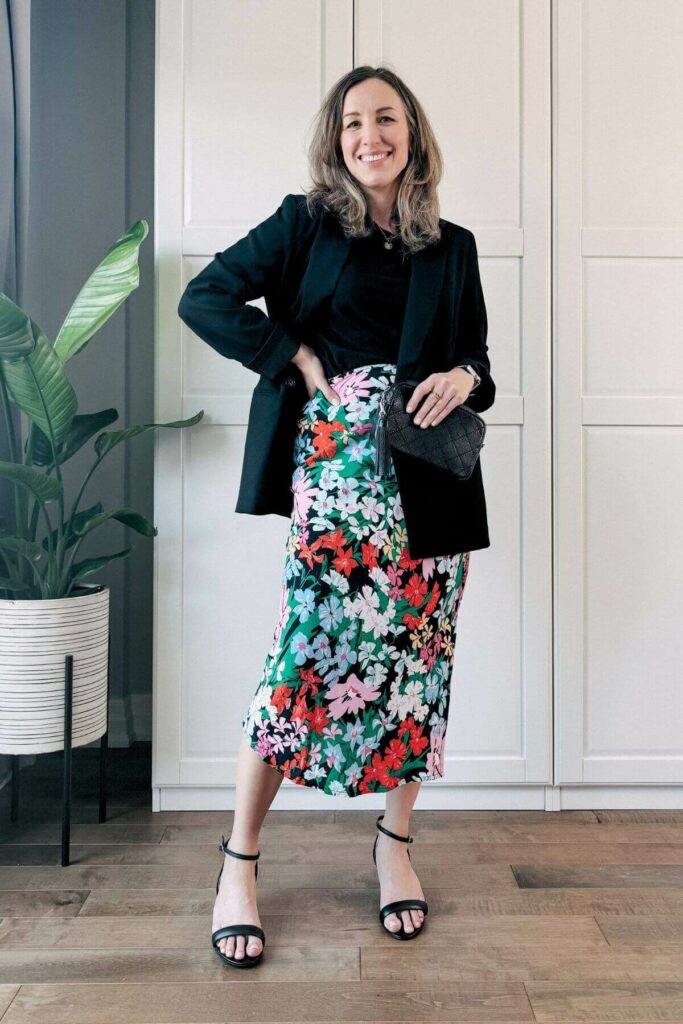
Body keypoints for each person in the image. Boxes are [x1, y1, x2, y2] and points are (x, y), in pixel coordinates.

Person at [177, 65, 495, 969]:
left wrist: (464, 377)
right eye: (353, 122)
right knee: (302, 656)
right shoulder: (304, 223)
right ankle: (237, 863)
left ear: (412, 132)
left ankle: (393, 848)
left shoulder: (453, 243)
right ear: (336, 139)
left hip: (429, 479)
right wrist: (295, 357)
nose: (371, 136)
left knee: (414, 658)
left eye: (386, 118)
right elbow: (203, 298)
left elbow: (478, 357)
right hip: (335, 475)